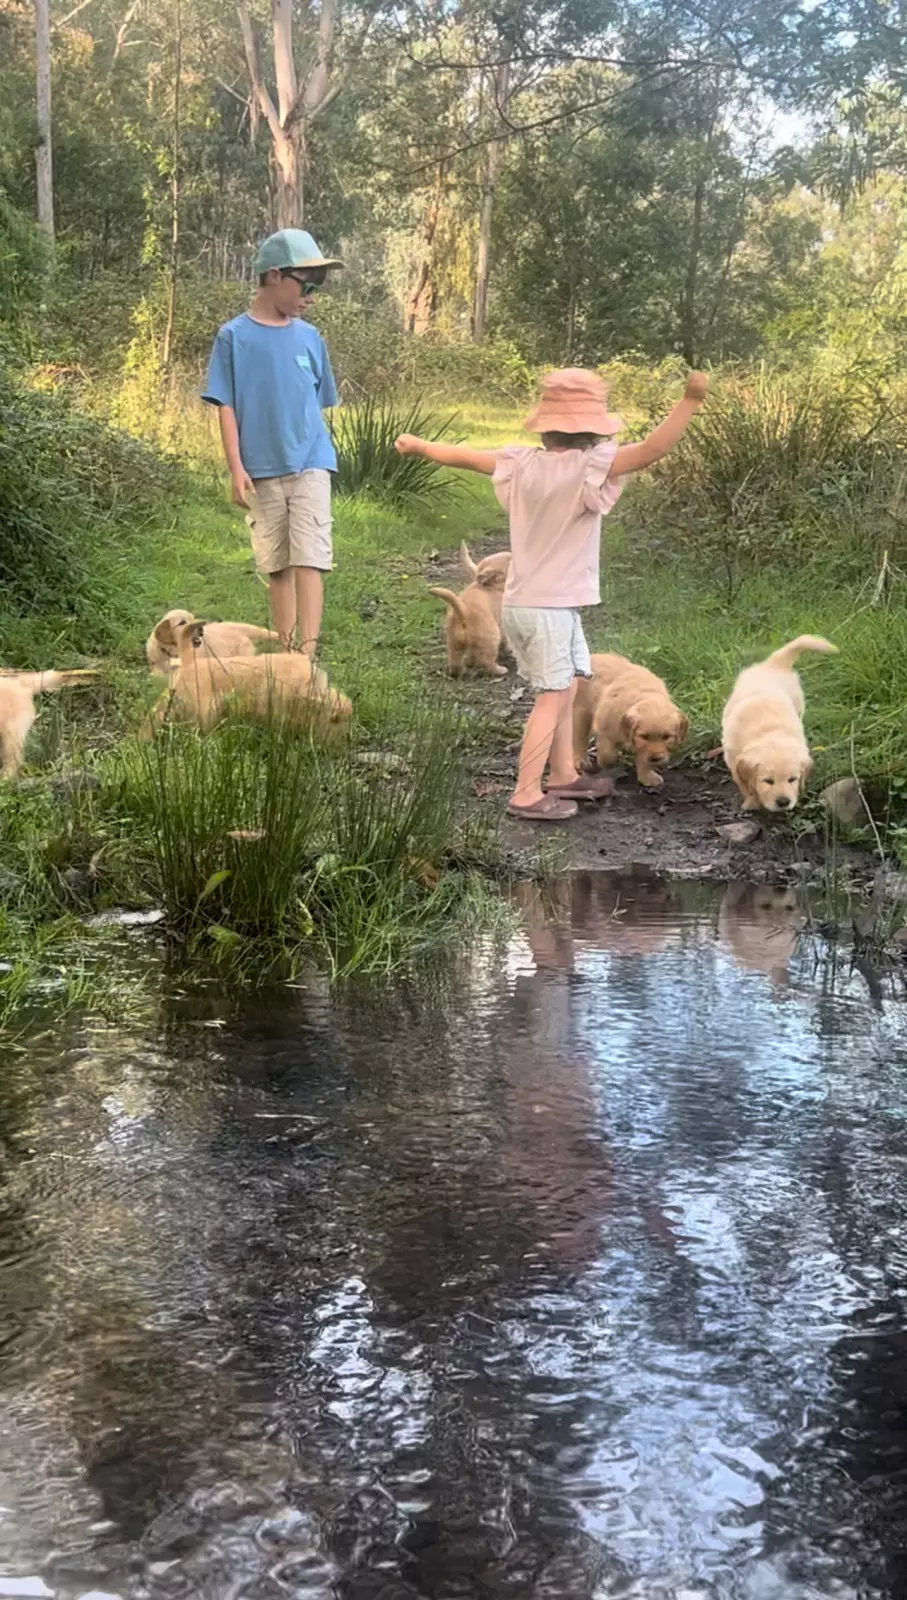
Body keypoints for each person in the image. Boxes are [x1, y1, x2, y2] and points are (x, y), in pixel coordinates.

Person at [395, 366, 709, 820]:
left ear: (545, 427)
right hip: (548, 611)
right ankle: (526, 792)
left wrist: (421, 446)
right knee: (550, 698)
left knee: (570, 686)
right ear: (594, 432)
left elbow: (466, 456)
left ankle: (563, 774)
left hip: (531, 604)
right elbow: (653, 449)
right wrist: (690, 401)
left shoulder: (520, 462)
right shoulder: (591, 467)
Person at [202, 228, 343, 655]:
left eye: (318, 288)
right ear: (275, 276)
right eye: (306, 286)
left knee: (310, 556)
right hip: (261, 469)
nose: (312, 297)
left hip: (311, 462)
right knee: (277, 563)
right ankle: (286, 652)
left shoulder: (310, 338)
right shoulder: (233, 337)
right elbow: (225, 404)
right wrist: (236, 467)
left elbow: (316, 402)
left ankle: (307, 654)